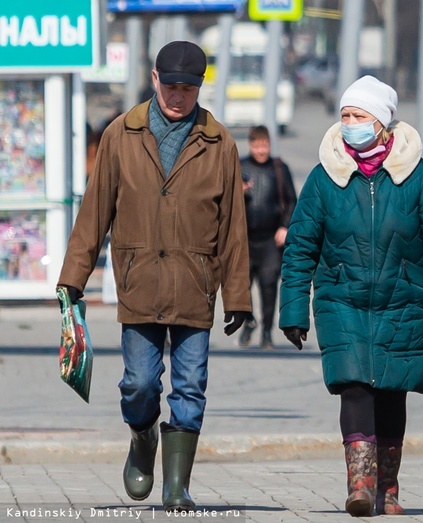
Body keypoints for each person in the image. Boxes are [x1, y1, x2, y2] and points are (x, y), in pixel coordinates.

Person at [56, 41, 252, 513]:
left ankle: (177, 485)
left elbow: (233, 227)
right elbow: (95, 210)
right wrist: (73, 278)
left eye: (189, 88)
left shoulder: (219, 141)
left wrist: (239, 297)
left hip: (196, 282)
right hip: (139, 280)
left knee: (190, 386)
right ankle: (143, 435)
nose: (179, 97)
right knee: (139, 384)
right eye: (172, 85)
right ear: (154, 78)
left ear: (200, 87)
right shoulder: (121, 135)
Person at [279, 75, 423, 517]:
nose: (350, 124)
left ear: (382, 123)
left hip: (404, 303)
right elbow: (301, 245)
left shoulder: (418, 177)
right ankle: (359, 486)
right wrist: (292, 310)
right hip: (341, 301)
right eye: (345, 116)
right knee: (355, 388)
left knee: (391, 394)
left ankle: (388, 487)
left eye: (359, 116)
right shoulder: (325, 178)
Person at [238, 125, 297, 349]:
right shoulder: (239, 167)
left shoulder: (279, 169)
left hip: (271, 240)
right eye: (256, 145)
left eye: (264, 145)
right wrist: (238, 190)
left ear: (270, 145)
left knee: (268, 286)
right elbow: (223, 200)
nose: (261, 150)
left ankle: (267, 332)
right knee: (242, 287)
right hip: (244, 240)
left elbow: (292, 200)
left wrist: (285, 227)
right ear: (250, 145)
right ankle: (248, 322)